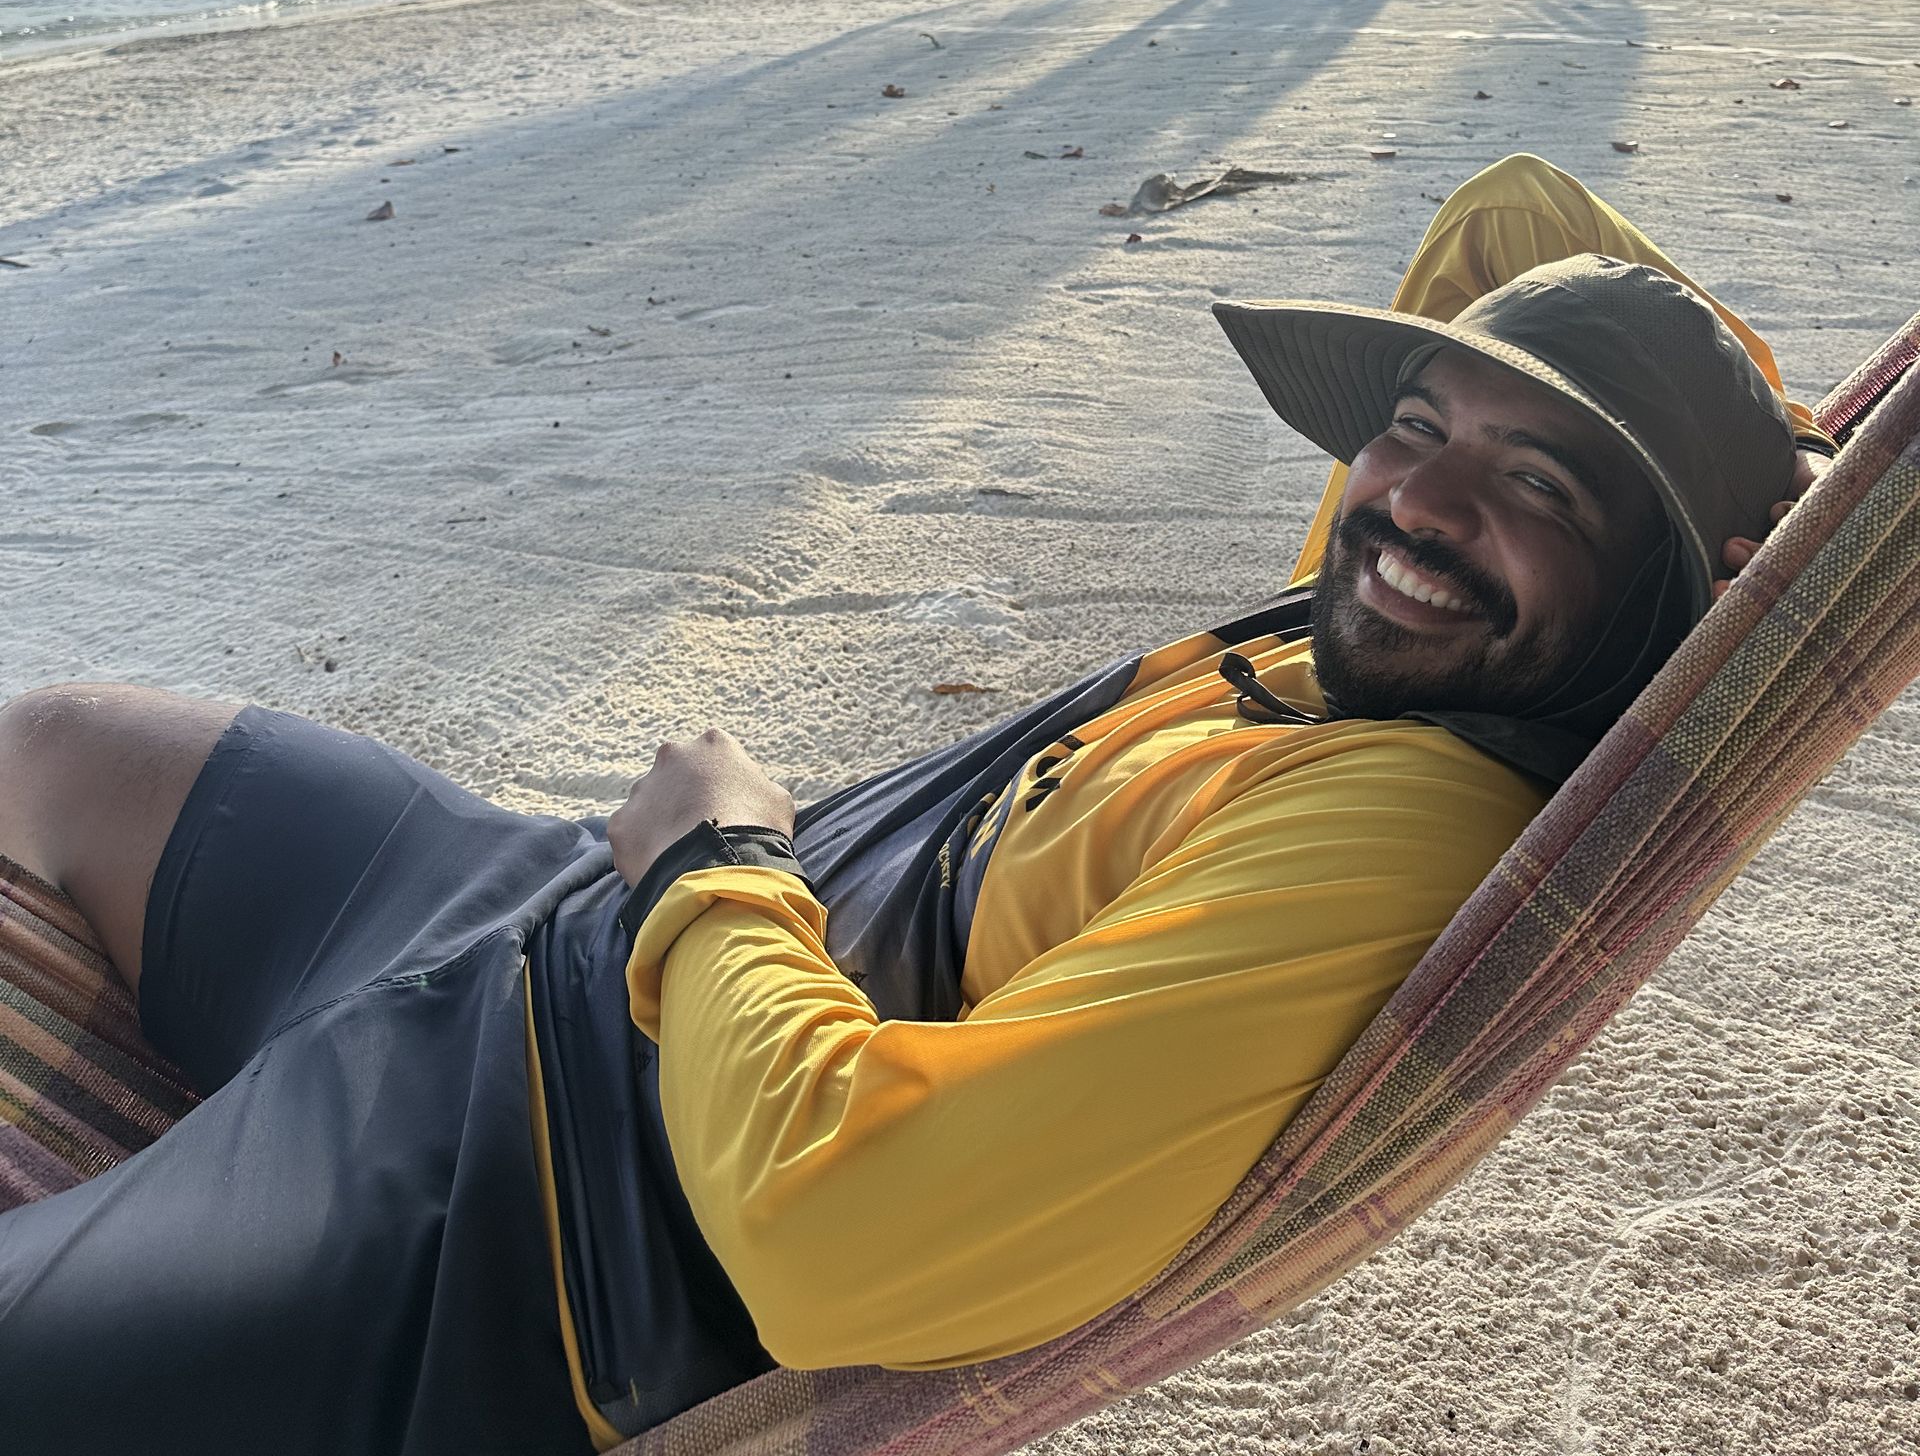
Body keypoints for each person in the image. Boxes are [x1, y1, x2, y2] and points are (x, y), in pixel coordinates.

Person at [0, 157, 1832, 1456]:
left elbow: (834, 1240)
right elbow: (1517, 213)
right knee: (58, 745)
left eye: (1546, 489)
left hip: (524, 1227)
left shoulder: (1404, 820)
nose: (1423, 509)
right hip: (521, 923)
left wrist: (712, 866)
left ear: (1661, 599)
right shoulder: (1398, 622)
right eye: (1416, 424)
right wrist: (1771, 468)